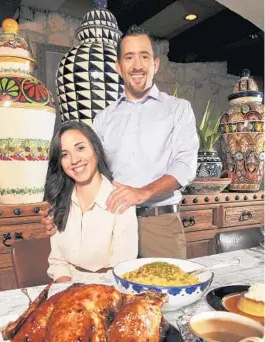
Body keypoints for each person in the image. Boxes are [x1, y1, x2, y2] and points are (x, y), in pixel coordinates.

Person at [42, 25, 199, 259]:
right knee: (112, 293)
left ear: (155, 64)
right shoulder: (103, 118)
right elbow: (89, 171)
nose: (137, 65)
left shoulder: (178, 109)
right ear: (118, 67)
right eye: (129, 57)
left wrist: (143, 193)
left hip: (160, 225)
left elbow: (185, 166)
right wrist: (62, 208)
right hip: (110, 224)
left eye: (144, 56)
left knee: (165, 294)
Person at [44, 120, 138, 283]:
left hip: (107, 291)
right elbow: (58, 263)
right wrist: (68, 291)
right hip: (67, 287)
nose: (74, 160)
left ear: (95, 148)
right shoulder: (60, 201)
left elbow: (123, 269)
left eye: (80, 148)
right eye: (64, 154)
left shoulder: (121, 201)